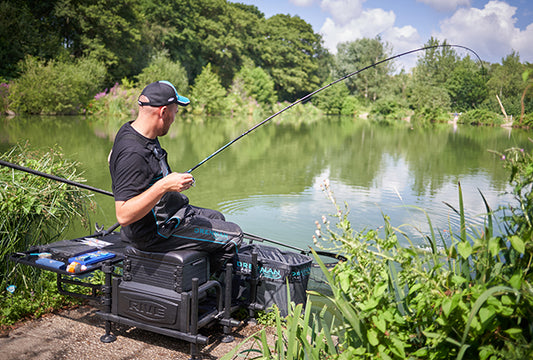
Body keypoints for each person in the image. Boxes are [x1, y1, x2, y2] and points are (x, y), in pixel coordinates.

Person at [108, 80, 243, 266]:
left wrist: (169, 182)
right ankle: (210, 290)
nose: (175, 116)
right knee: (234, 234)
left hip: (168, 213)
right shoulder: (133, 152)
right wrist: (164, 185)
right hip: (153, 233)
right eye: (175, 111)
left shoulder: (135, 130)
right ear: (163, 112)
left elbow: (117, 160)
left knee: (217, 218)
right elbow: (123, 215)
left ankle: (197, 275)